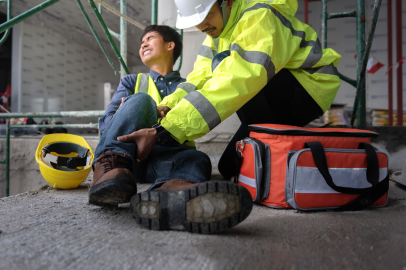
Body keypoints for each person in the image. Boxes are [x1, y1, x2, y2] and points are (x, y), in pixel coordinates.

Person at [122, 0, 342, 181]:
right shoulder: (216, 36)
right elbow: (198, 80)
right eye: (196, 21)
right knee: (229, 168)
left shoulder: (260, 16)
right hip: (271, 96)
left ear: (227, 2)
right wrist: (167, 106)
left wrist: (168, 130)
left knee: (224, 64)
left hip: (306, 90)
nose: (202, 25)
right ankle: (282, 144)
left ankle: (285, 142)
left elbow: (239, 79)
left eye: (206, 15)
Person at [89, 25, 254, 234]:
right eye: (141, 42)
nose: (143, 44)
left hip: (166, 160)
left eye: (149, 38)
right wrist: (137, 112)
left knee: (197, 158)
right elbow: (106, 125)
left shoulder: (189, 86)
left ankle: (170, 193)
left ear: (170, 45)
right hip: (128, 158)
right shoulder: (132, 81)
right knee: (142, 101)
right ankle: (109, 171)